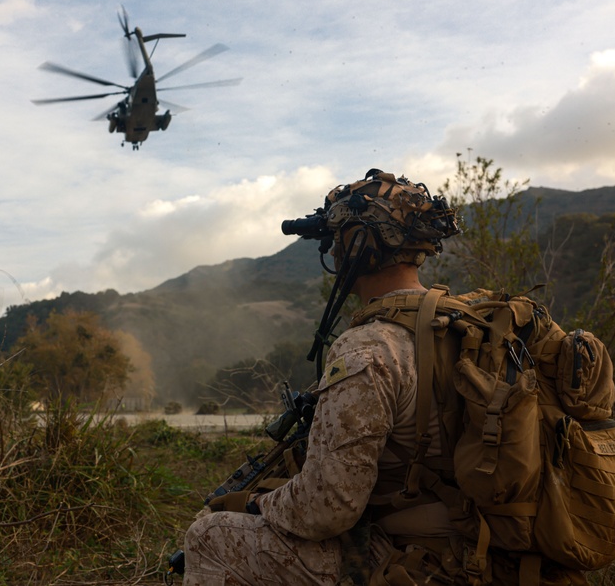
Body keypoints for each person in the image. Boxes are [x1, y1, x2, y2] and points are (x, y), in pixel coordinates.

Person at [182, 169, 466, 585]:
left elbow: (327, 507)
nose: (333, 251)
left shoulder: (369, 348)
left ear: (361, 246)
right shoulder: (461, 325)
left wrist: (255, 504)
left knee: (210, 535)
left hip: (420, 563)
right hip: (485, 547)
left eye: (338, 238)